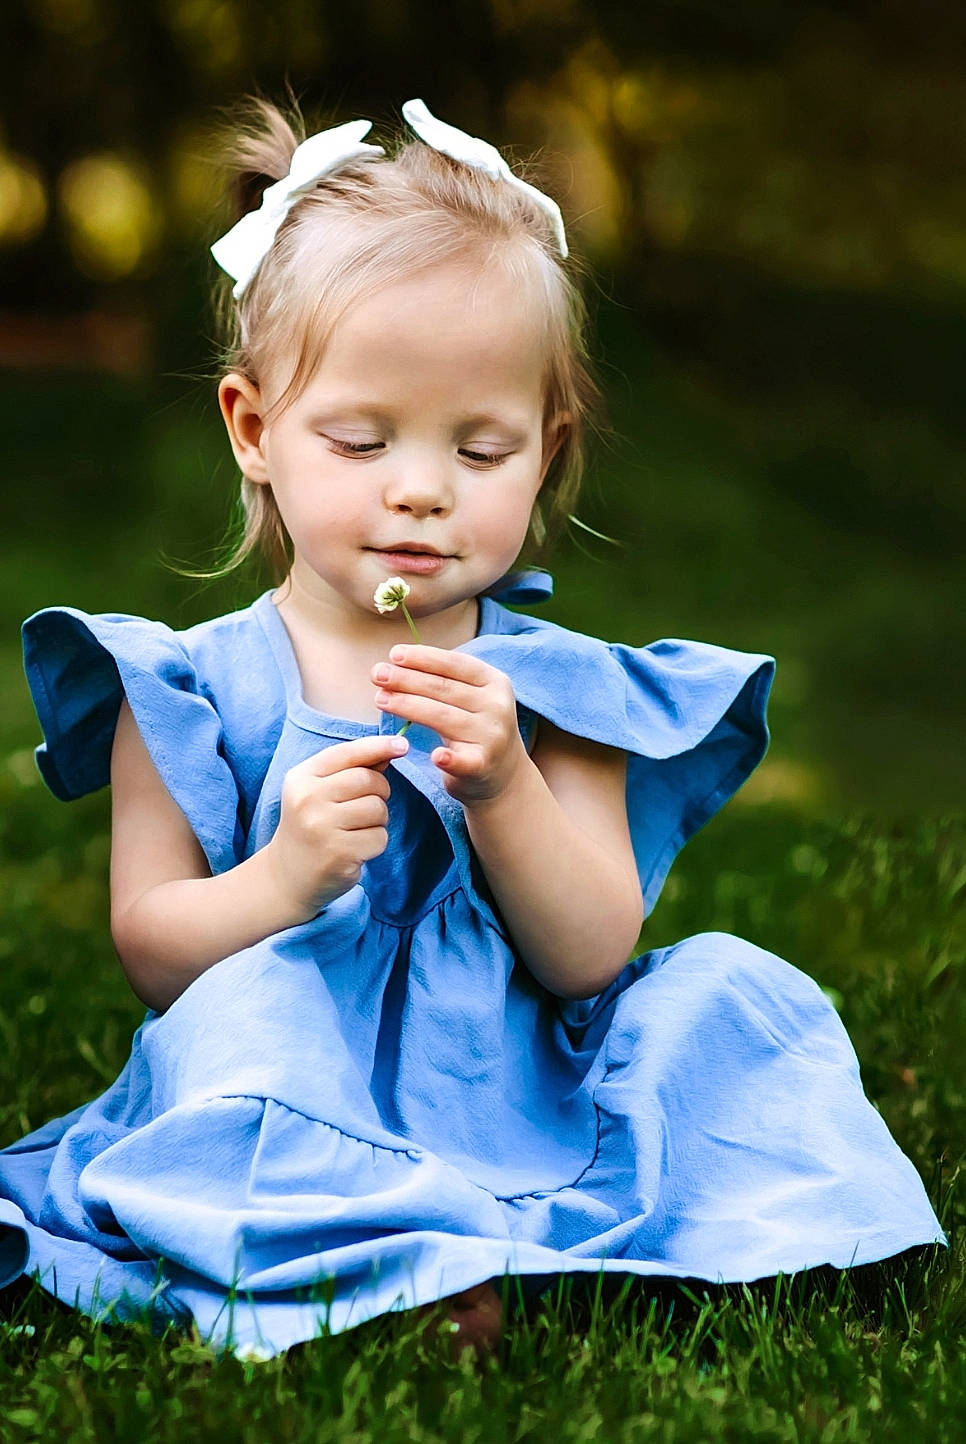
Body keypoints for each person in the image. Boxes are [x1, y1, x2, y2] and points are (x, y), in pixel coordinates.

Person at [0, 98, 946, 1361]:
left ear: (546, 455)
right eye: (361, 437)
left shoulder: (555, 693)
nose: (421, 488)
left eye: (482, 448)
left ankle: (472, 1239)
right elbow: (155, 952)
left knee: (732, 996)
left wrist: (506, 790)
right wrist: (280, 880)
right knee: (242, 1036)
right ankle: (398, 1257)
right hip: (295, 1062)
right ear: (254, 431)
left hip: (521, 1086)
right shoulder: (184, 687)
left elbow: (590, 955)